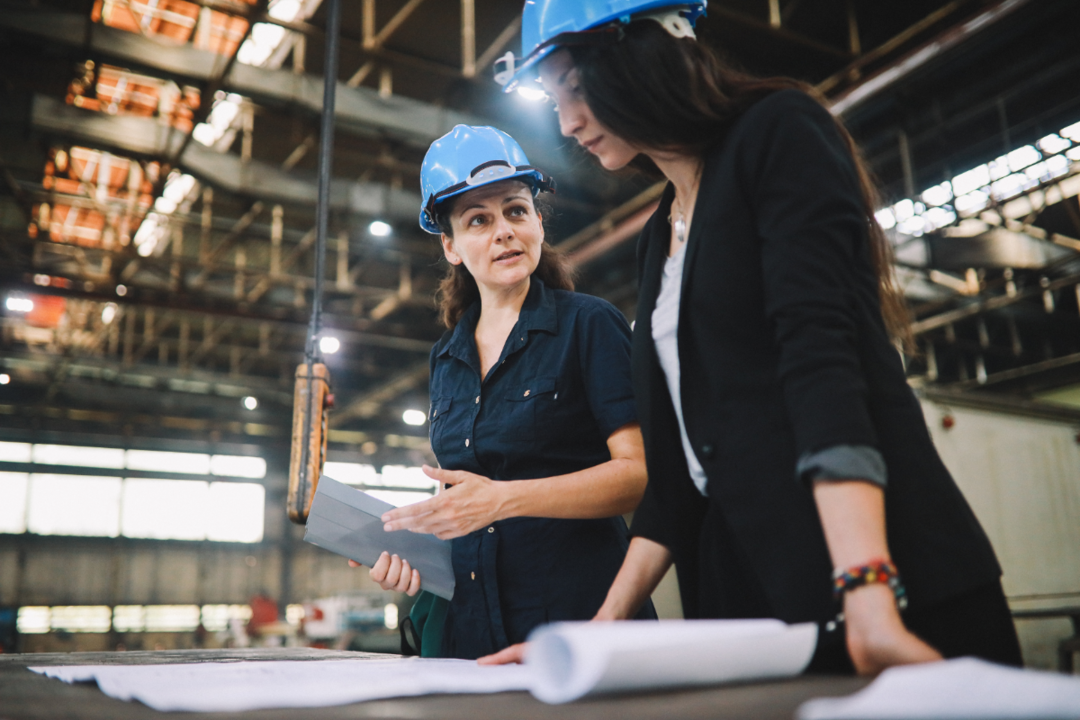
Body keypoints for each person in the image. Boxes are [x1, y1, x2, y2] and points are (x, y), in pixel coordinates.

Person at [483, 0, 1023, 673]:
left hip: (883, 577)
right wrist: (597, 633)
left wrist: (866, 586)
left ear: (639, 52)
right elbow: (676, 484)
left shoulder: (776, 132)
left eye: (574, 86)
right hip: (755, 603)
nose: (566, 121)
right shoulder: (661, 231)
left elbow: (821, 358)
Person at [358, 124, 657, 660]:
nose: (504, 231)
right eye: (479, 220)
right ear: (450, 246)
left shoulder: (589, 326)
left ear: (539, 222)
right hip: (470, 629)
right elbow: (464, 498)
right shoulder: (446, 357)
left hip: (577, 619)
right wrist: (411, 545)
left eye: (516, 210)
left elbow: (639, 476)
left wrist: (503, 500)